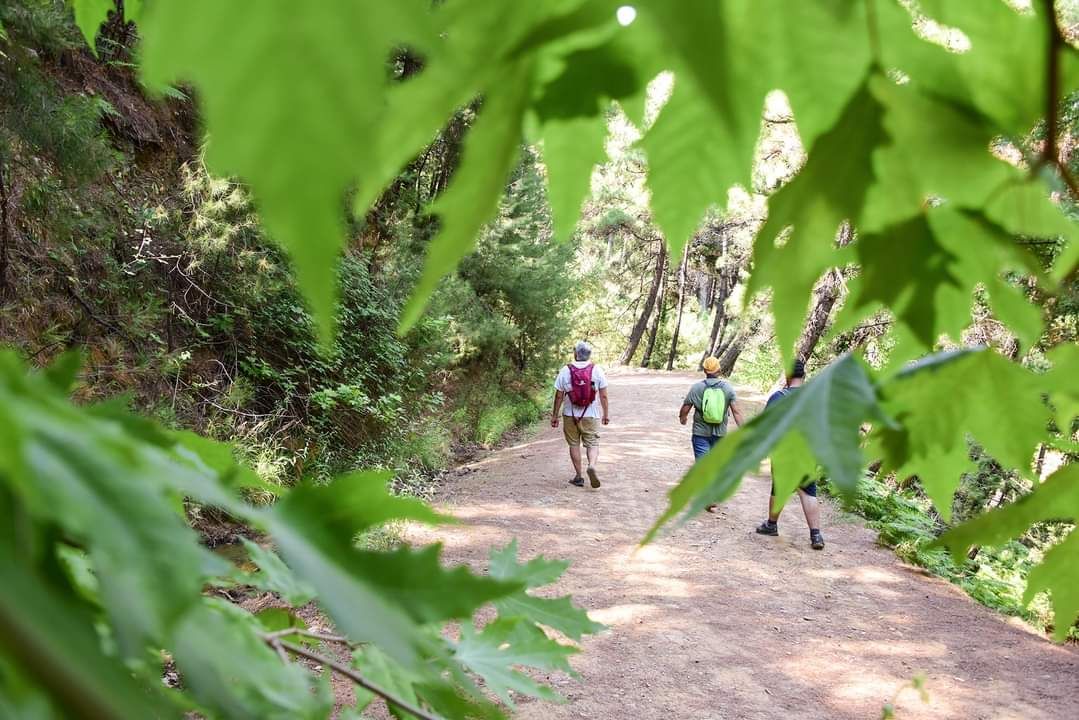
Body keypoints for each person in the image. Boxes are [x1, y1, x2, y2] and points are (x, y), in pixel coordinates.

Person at [755, 360, 825, 550]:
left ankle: (771, 525)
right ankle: (816, 535)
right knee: (808, 491)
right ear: (804, 376)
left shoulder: (779, 397)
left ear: (787, 376)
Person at [551, 341, 610, 488]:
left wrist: (555, 415)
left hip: (570, 415)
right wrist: (605, 414)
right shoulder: (597, 370)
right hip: (591, 414)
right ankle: (592, 465)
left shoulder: (565, 370)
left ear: (575, 354)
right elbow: (603, 396)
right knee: (592, 443)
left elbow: (559, 396)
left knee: (574, 444)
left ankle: (578, 476)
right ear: (589, 355)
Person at [679, 355, 744, 474]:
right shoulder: (728, 388)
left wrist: (683, 419)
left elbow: (685, 408)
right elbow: (737, 412)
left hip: (700, 433)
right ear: (719, 370)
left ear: (705, 370)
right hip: (720, 434)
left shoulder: (697, 387)